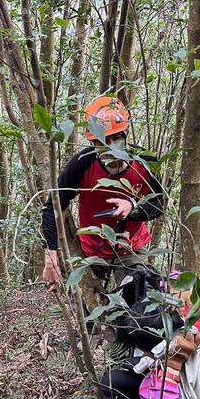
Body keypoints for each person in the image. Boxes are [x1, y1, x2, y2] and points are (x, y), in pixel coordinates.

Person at [41, 95, 165, 289]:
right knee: (89, 309)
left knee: (139, 295)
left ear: (125, 136)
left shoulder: (145, 161)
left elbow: (159, 203)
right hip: (92, 251)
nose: (111, 148)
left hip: (131, 248)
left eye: (116, 139)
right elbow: (52, 207)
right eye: (103, 142)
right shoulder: (83, 163)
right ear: (94, 144)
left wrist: (133, 206)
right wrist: (51, 256)